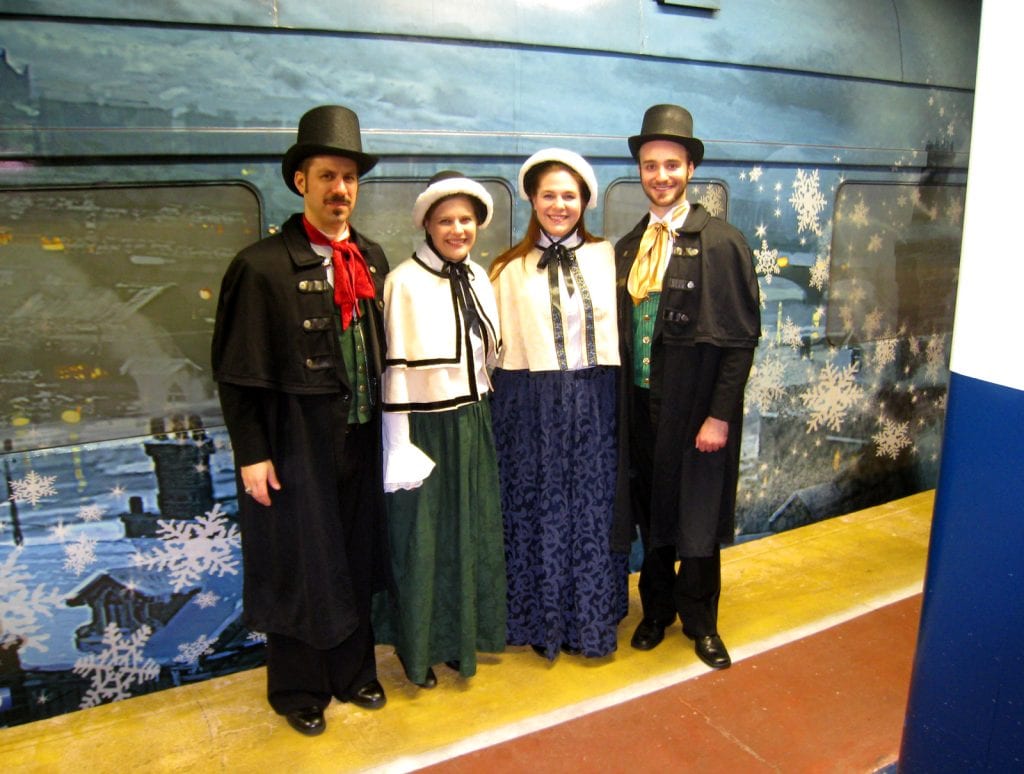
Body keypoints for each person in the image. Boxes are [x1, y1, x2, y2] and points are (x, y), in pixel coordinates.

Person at [211, 105, 391, 736]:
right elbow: (237, 376)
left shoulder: (370, 257)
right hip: (293, 444)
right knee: (299, 563)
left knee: (355, 555)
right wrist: (252, 453)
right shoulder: (259, 267)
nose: (340, 189)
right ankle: (297, 688)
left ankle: (354, 671)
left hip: (362, 437)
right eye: (327, 176)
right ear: (300, 182)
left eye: (349, 177)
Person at [613, 104, 761, 669]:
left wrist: (719, 415)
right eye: (651, 166)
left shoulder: (722, 243)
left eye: (671, 165)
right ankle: (656, 613)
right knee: (653, 514)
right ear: (640, 171)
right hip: (642, 408)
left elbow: (740, 340)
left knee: (696, 516)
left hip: (697, 411)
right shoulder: (629, 247)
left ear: (690, 169)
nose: (661, 176)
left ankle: (702, 622)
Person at [489, 148, 628, 660]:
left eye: (569, 195)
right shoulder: (508, 268)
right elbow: (494, 351)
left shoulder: (608, 257)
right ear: (532, 199)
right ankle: (537, 619)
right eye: (549, 195)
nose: (559, 205)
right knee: (538, 510)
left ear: (585, 201)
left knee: (590, 511)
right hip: (530, 405)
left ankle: (588, 622)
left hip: (595, 402)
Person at [374, 171, 507, 688]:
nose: (458, 230)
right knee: (422, 543)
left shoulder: (477, 276)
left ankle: (458, 640)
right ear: (427, 225)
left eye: (465, 220)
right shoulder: (403, 282)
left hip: (471, 421)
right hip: (423, 429)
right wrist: (398, 447)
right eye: (446, 220)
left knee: (467, 536)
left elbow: (487, 359)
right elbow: (394, 375)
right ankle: (419, 651)